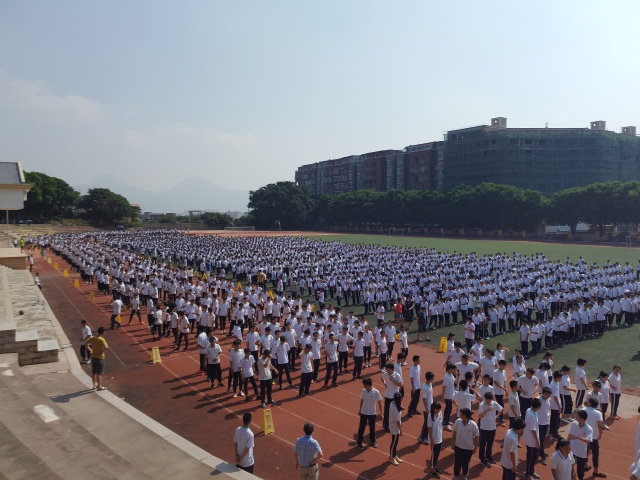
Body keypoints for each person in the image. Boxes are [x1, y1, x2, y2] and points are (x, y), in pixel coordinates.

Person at [452, 408, 479, 480]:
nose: (459, 415)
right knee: (457, 462)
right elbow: (454, 433)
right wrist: (452, 443)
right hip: (458, 446)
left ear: (465, 415)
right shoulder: (458, 421)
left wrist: (475, 448)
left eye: (460, 413)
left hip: (468, 448)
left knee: (466, 463)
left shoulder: (473, 425)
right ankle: (456, 476)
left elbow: (476, 437)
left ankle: (464, 476)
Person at [478, 391, 503, 468]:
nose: (489, 401)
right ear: (485, 398)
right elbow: (480, 416)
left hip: (492, 427)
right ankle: (482, 459)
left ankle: (488, 456)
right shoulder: (482, 405)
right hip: (484, 428)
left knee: (490, 443)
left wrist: (496, 416)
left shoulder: (494, 403)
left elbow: (501, 409)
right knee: (482, 444)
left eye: (490, 399)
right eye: (488, 400)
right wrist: (487, 410)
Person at [357, 377, 382, 449]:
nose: (363, 386)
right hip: (364, 412)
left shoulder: (376, 392)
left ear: (368, 385)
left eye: (364, 385)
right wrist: (360, 410)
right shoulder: (363, 391)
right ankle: (359, 442)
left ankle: (373, 440)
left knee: (372, 428)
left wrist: (381, 413)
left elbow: (380, 401)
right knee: (361, 428)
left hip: (372, 413)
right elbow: (362, 400)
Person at [584, 397, 606, 478]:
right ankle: (595, 471)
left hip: (584, 435)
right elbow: (600, 425)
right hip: (594, 436)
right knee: (595, 453)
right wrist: (600, 434)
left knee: (585, 450)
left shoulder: (584, 410)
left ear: (590, 403)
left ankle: (585, 465)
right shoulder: (598, 413)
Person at [568, 409, 592, 480]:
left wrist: (577, 437)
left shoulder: (589, 429)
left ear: (581, 418)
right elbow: (569, 435)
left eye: (577, 416)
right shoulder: (574, 424)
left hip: (581, 452)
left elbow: (588, 440)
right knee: (569, 466)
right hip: (572, 449)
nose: (575, 417)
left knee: (580, 470)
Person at [523, 397, 542, 480]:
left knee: (531, 456)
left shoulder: (529, 410)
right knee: (531, 458)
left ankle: (531, 471)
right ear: (538, 407)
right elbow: (533, 430)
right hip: (532, 440)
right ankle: (528, 474)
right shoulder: (533, 416)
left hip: (528, 438)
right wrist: (537, 442)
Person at [381, 362, 403, 431]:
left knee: (397, 410)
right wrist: (385, 384)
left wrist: (393, 381)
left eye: (387, 369)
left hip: (395, 397)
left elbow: (400, 385)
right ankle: (386, 425)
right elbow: (381, 378)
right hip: (387, 396)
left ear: (391, 369)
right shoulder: (386, 374)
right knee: (387, 411)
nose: (386, 370)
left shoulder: (397, 375)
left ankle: (398, 422)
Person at [85, 327, 108, 391]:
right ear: (103, 332)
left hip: (93, 357)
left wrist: (90, 350)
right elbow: (106, 347)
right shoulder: (102, 339)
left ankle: (94, 384)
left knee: (94, 372)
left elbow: (85, 343)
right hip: (100, 358)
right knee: (99, 373)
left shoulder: (92, 338)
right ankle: (99, 386)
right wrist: (101, 352)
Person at [427, 402, 444, 478]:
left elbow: (441, 424)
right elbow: (429, 429)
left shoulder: (440, 413)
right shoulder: (430, 417)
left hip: (439, 437)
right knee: (434, 455)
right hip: (434, 438)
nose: (439, 410)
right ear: (434, 409)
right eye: (438, 409)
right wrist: (432, 440)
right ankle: (432, 471)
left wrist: (442, 435)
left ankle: (435, 467)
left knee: (437, 454)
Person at [388, 391, 403, 465]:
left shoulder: (392, 403)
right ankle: (391, 457)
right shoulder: (396, 410)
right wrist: (401, 431)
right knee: (394, 443)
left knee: (395, 442)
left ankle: (394, 455)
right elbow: (397, 422)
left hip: (393, 425)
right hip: (395, 427)